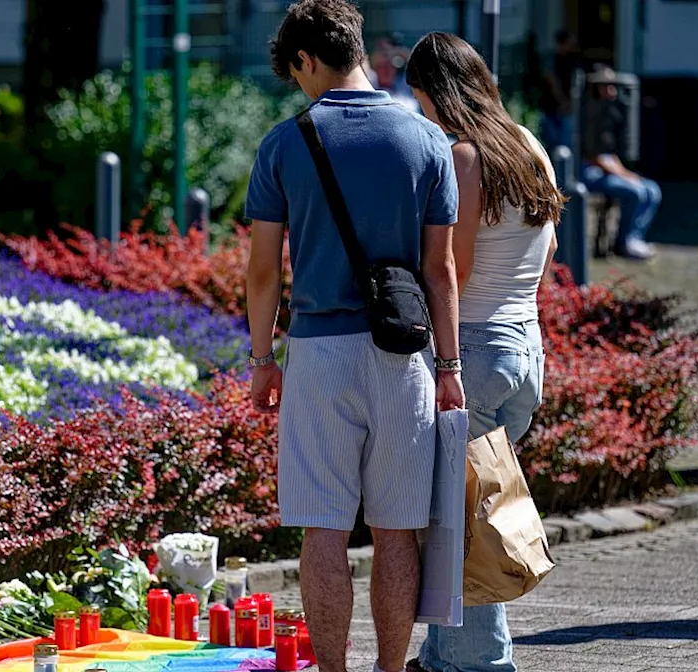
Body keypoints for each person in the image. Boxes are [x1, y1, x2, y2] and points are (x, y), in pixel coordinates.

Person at [243, 3, 464, 672]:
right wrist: (449, 366)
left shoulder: (285, 144)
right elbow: (441, 272)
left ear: (308, 60)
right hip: (406, 355)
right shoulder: (427, 139)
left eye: (296, 74)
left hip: (318, 353)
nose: (299, 87)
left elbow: (261, 274)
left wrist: (261, 360)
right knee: (399, 532)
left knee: (325, 531)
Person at [403, 31, 564, 672]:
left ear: (438, 94)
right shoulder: (529, 145)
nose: (421, 113)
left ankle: (482, 664)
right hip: (525, 348)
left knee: (466, 523)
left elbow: (455, 270)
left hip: (475, 348)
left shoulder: (465, 158)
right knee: (468, 510)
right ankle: (441, 657)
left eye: (420, 99)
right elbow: (547, 252)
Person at [581, 67, 660, 260]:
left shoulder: (607, 113)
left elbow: (609, 154)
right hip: (589, 173)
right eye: (608, 86)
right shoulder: (587, 115)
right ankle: (624, 242)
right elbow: (594, 157)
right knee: (636, 192)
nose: (613, 91)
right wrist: (624, 176)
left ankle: (635, 237)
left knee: (652, 190)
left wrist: (627, 174)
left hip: (608, 170)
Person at [539, 29, 580, 151]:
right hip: (553, 107)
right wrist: (563, 102)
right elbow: (552, 81)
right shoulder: (552, 60)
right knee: (557, 145)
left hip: (562, 108)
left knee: (564, 145)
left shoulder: (571, 60)